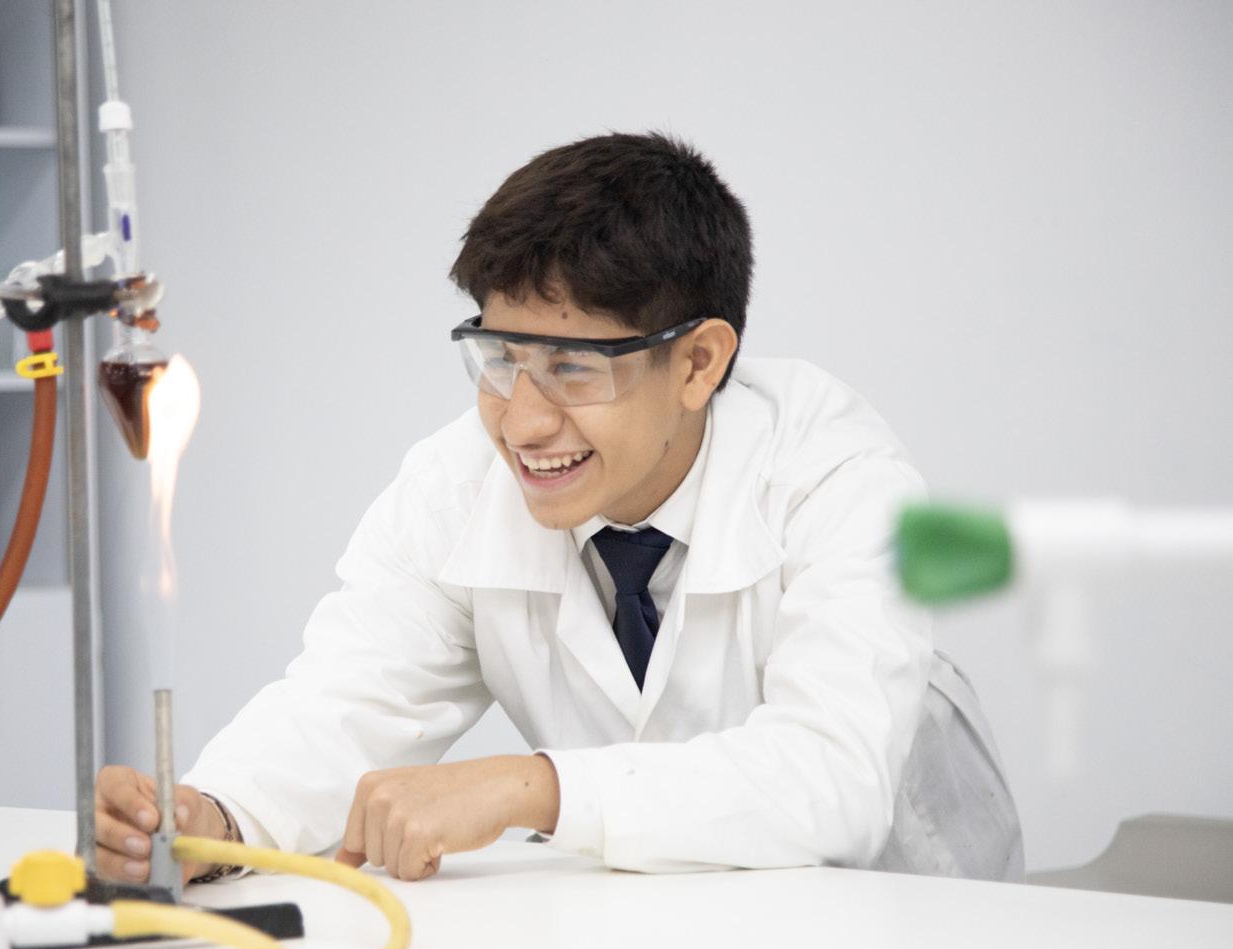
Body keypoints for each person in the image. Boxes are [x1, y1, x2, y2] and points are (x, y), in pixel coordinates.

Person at [95, 131, 1024, 886]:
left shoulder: (836, 476)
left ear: (698, 363)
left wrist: (532, 789)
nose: (522, 421)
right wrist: (216, 816)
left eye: (573, 368)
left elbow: (832, 780)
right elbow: (348, 697)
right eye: (500, 358)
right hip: (653, 924)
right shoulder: (455, 485)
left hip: (907, 921)